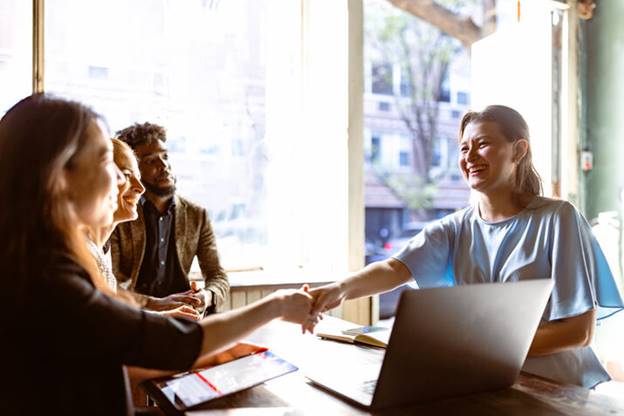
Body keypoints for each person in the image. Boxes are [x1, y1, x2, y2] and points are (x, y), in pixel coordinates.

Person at [0, 94, 315, 415]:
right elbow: (173, 344)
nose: (123, 180)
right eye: (106, 161)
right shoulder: (50, 280)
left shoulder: (32, 264)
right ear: (59, 177)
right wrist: (277, 305)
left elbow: (100, 367)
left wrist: (214, 345)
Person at [306, 105, 624, 388]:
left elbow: (578, 333)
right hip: (488, 383)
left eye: (482, 144)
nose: (469, 157)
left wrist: (478, 348)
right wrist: (336, 291)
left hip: (558, 388)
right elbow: (393, 268)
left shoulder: (558, 219)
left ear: (519, 150)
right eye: (463, 148)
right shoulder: (455, 228)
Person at [111, 122, 228, 315]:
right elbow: (109, 284)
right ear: (134, 171)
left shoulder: (197, 214)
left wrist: (206, 297)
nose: (164, 166)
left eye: (165, 156)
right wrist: (158, 304)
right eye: (151, 161)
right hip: (138, 316)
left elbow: (218, 276)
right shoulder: (121, 215)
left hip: (187, 315)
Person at [86, 138, 201, 320]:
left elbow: (110, 318)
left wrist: (165, 316)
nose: (140, 188)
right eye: (124, 175)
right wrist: (161, 315)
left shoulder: (99, 249)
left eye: (138, 178)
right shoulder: (80, 253)